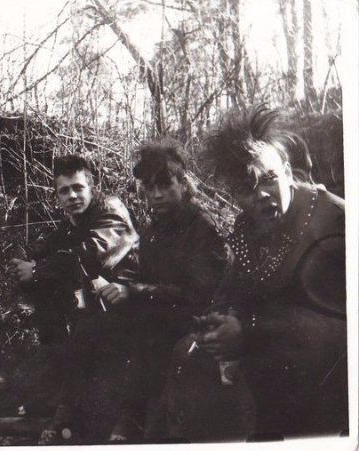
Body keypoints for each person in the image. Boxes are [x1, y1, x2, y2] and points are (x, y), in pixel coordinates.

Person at [44, 139, 229, 443]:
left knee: (147, 337)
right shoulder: (155, 229)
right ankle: (69, 415)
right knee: (92, 322)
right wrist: (119, 291)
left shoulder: (202, 227)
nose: (156, 195)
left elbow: (199, 293)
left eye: (165, 185)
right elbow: (145, 277)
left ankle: (133, 420)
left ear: (183, 184)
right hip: (160, 310)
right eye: (149, 187)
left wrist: (134, 292)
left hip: (196, 318)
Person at [188, 104, 347, 438]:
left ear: (287, 172)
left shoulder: (336, 219)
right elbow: (234, 287)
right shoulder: (247, 228)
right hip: (271, 360)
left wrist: (248, 330)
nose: (261, 195)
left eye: (269, 179)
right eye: (245, 188)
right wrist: (221, 318)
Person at [10, 154, 138, 345]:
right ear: (57, 197)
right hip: (99, 303)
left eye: (78, 188)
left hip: (129, 302)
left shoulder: (111, 210)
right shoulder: (73, 222)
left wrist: (36, 271)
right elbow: (48, 247)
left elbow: (91, 256)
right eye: (64, 191)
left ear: (92, 188)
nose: (72, 196)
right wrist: (24, 261)